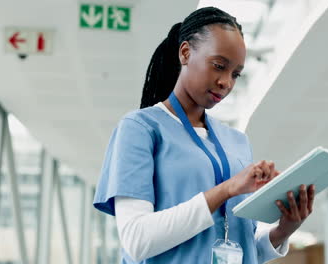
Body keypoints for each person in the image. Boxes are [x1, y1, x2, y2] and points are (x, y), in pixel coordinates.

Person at [93, 7, 315, 264]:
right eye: (219, 66)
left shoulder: (237, 142)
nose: (226, 82)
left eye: (235, 74)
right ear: (185, 53)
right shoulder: (140, 128)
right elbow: (137, 240)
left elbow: (238, 244)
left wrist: (283, 230)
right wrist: (227, 190)